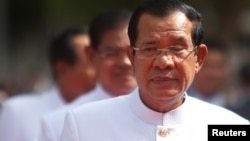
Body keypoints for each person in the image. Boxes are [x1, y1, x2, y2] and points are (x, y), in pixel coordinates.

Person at [60, 0, 249, 141]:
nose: (163, 62)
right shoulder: (83, 125)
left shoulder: (232, 127)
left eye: (176, 49)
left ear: (198, 58)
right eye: (149, 49)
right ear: (132, 57)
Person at [37, 10, 137, 141]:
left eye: (131, 52)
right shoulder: (60, 123)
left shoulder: (165, 109)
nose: (125, 62)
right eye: (112, 53)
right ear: (90, 55)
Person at [0, 27, 97, 141]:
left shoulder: (107, 111)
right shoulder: (19, 112)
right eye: (91, 62)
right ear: (62, 69)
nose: (99, 68)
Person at [187, 39, 230, 107]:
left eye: (218, 66)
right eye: (206, 66)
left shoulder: (235, 108)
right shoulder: (176, 106)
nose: (212, 73)